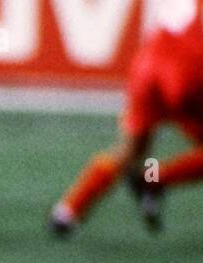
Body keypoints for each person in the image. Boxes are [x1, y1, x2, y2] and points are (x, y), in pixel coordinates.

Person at [51, 0, 203, 235]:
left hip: (148, 68)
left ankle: (68, 211)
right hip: (190, 75)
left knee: (131, 150)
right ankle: (153, 179)